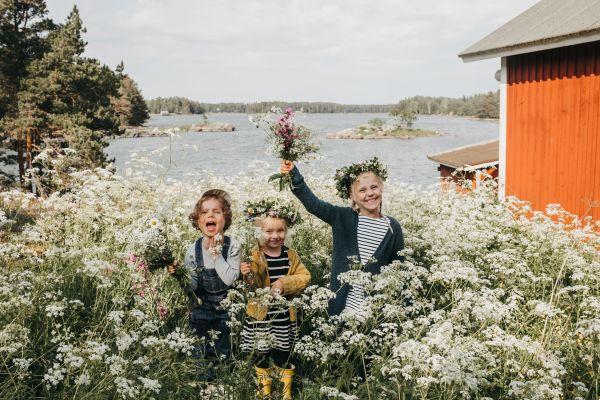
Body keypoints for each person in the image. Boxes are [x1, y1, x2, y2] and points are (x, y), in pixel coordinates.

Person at [280, 157, 404, 317]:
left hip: (376, 312)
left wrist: (403, 305)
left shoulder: (392, 227)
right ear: (351, 196)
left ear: (381, 188)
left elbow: (400, 268)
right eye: (362, 190)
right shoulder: (342, 217)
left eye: (374, 187)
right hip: (342, 308)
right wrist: (294, 175)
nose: (370, 193)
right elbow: (313, 204)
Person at [239, 199, 310, 400]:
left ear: (286, 232)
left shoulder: (291, 255)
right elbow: (251, 285)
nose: (275, 236)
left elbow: (304, 276)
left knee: (283, 354)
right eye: (269, 232)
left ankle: (285, 392)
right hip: (261, 317)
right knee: (261, 355)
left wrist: (284, 283)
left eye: (280, 231)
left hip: (283, 319)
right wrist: (247, 273)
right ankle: (264, 392)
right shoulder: (255, 254)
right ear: (260, 233)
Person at [169, 189, 240, 380]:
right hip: (201, 306)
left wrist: (216, 255)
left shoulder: (232, 245)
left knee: (224, 350)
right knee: (201, 349)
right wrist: (180, 276)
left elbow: (230, 279)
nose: (210, 215)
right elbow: (192, 287)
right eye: (204, 212)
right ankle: (204, 386)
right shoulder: (192, 250)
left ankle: (224, 384)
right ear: (198, 222)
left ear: (225, 219)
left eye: (216, 212)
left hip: (226, 307)